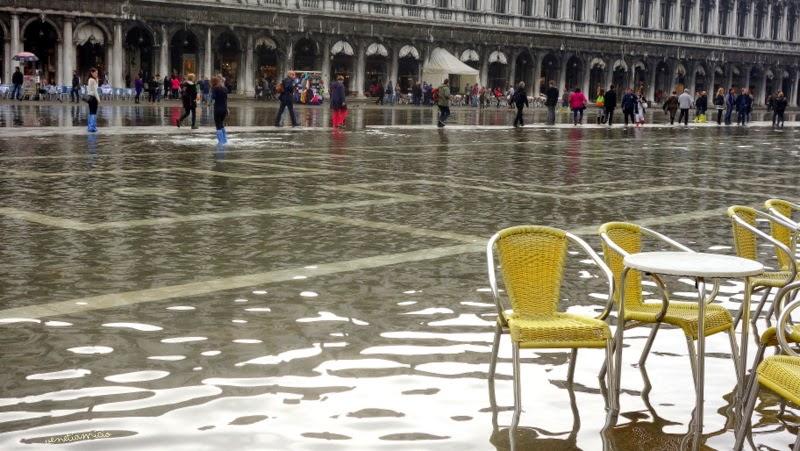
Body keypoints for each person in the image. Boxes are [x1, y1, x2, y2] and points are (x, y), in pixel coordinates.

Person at [211, 76, 228, 145]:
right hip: (224, 109)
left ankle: (221, 142)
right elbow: (226, 100)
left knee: (218, 125)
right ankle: (225, 140)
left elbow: (213, 97)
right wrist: (227, 109)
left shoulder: (215, 88)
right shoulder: (225, 89)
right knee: (221, 124)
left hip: (217, 109)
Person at [85, 67, 100, 133]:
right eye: (96, 73)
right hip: (93, 98)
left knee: (91, 112)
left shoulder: (89, 79)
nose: (97, 74)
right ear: (92, 73)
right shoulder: (93, 80)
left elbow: (91, 89)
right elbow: (95, 91)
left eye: (97, 73)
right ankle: (92, 127)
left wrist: (97, 80)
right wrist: (98, 99)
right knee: (93, 112)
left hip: (89, 98)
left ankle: (90, 127)